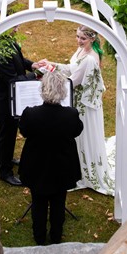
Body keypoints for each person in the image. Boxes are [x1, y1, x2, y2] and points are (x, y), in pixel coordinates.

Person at [18, 69, 83, 245]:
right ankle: (56, 236)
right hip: (62, 167)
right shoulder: (71, 114)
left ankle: (39, 237)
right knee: (58, 203)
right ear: (63, 91)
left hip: (36, 165)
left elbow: (23, 131)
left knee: (38, 202)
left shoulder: (30, 114)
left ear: (43, 90)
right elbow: (77, 130)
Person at [40, 25, 108, 192]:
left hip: (83, 105)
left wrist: (49, 73)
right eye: (77, 36)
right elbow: (71, 68)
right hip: (78, 100)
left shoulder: (91, 59)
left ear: (92, 39)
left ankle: (84, 173)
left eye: (82, 38)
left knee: (82, 137)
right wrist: (52, 65)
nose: (78, 41)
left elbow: (71, 81)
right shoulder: (81, 51)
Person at [0, 30, 39, 186]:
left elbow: (19, 60)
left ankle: (6, 159)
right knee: (6, 131)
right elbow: (12, 79)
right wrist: (35, 76)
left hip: (12, 96)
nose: (16, 29)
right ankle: (4, 171)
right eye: (14, 26)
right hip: (3, 99)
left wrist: (32, 65)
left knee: (10, 131)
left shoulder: (8, 40)